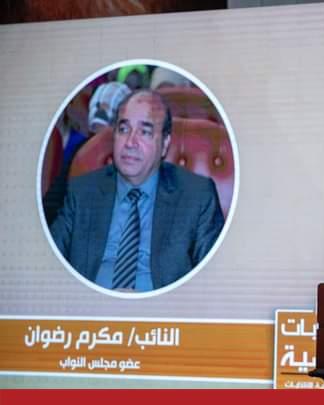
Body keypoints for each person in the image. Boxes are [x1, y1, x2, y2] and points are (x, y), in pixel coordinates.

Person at [50, 89, 224, 292]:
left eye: (145, 132)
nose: (130, 143)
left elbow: (212, 285)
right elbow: (47, 262)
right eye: (123, 129)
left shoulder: (197, 197)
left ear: (165, 144)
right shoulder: (82, 192)